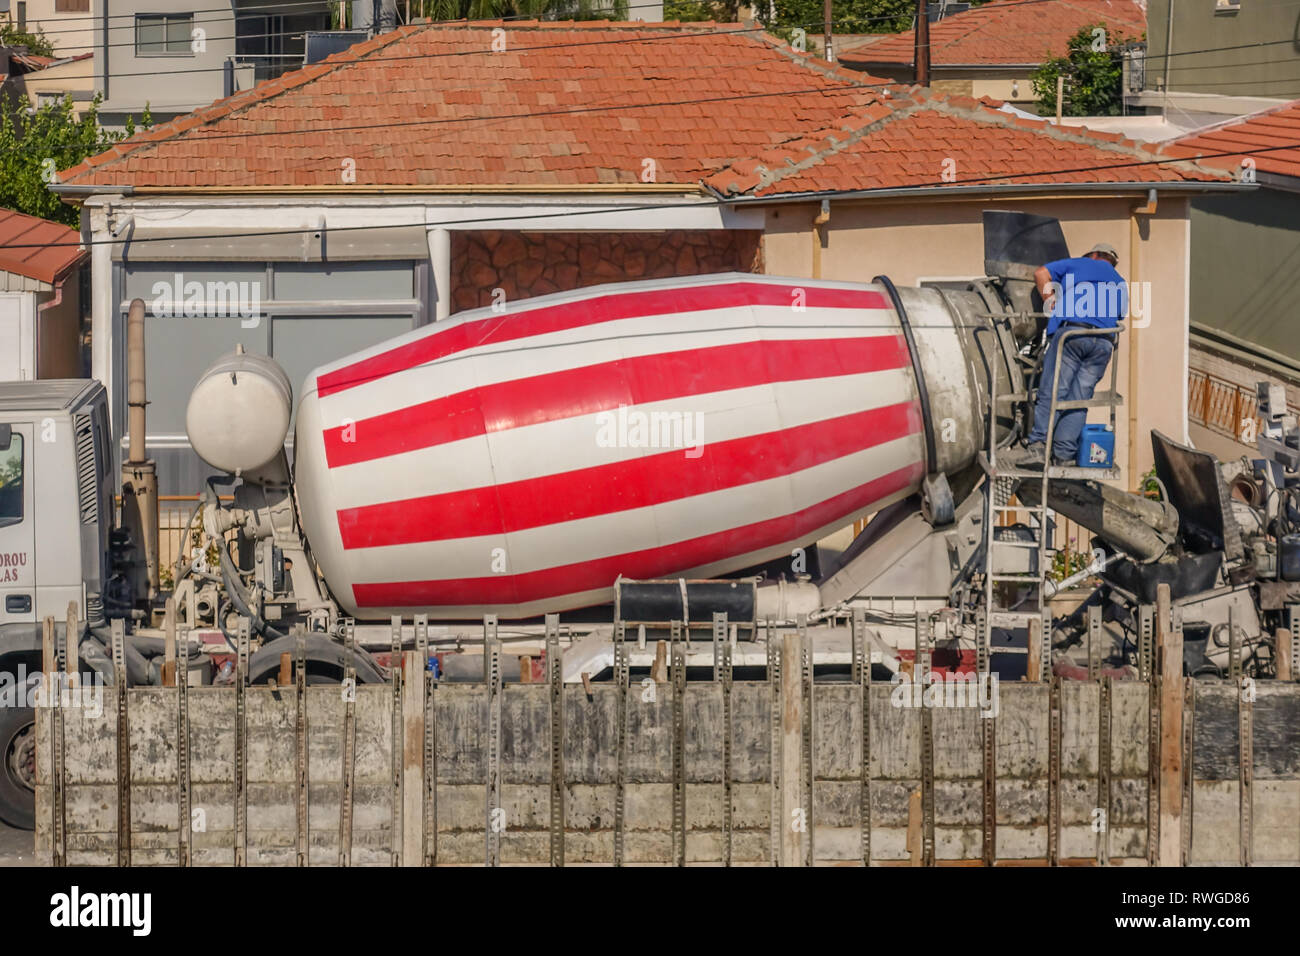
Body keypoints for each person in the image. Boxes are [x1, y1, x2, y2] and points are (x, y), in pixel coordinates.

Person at [1011, 242, 1126, 467]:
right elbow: (1120, 314)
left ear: (1093, 254)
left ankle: (1038, 447)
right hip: (1103, 343)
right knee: (1078, 399)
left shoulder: (1079, 263)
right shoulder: (1119, 281)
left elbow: (1041, 273)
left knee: (1053, 391)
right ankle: (1064, 455)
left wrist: (1050, 302)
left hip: (1072, 336)